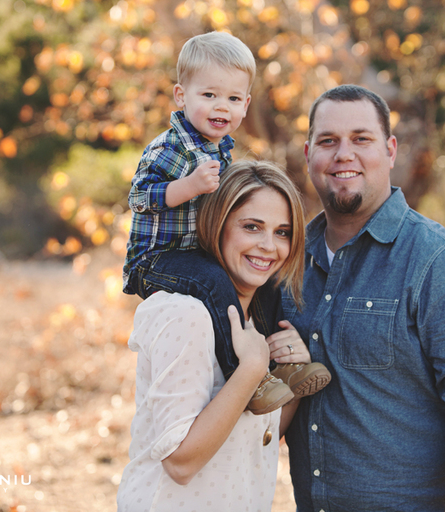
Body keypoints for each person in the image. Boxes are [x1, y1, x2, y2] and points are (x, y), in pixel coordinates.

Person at [281, 84, 445, 511]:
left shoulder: (439, 264)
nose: (343, 154)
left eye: (361, 139)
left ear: (390, 150)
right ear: (308, 155)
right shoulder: (286, 264)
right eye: (328, 141)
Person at [122, 32, 330, 414]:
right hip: (156, 260)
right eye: (209, 95)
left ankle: (284, 364)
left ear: (246, 104)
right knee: (214, 281)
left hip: (194, 254)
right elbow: (137, 198)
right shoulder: (170, 148)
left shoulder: (221, 148)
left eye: (233, 99)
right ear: (181, 96)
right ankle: (249, 379)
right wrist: (187, 186)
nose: (222, 107)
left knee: (269, 287)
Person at [117, 161, 311, 512]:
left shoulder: (260, 315)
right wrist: (251, 368)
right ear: (217, 226)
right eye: (252, 227)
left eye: (282, 232)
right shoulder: (185, 314)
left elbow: (255, 439)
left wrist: (292, 379)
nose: (269, 246)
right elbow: (180, 463)